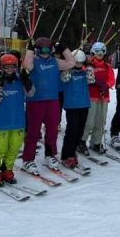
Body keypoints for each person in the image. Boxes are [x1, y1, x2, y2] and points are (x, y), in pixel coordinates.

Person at [21, 36, 74, 172]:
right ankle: (28, 160)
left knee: (52, 130)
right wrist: (30, 49)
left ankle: (50, 155)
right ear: (38, 50)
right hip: (36, 101)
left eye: (48, 49)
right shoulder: (34, 61)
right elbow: (26, 65)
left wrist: (64, 49)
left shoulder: (54, 61)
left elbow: (71, 63)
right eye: (42, 49)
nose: (45, 52)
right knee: (33, 131)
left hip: (53, 101)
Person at [0, 53, 31, 185]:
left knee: (14, 148)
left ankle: (7, 168)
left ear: (16, 67)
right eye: (6, 67)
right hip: (1, 122)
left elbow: (31, 93)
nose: (9, 70)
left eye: (12, 67)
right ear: (1, 68)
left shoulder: (21, 82)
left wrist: (27, 81)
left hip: (17, 121)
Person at [61, 50, 91, 168]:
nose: (78, 65)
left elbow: (91, 80)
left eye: (81, 63)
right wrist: (69, 66)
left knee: (80, 131)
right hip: (72, 105)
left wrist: (89, 68)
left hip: (84, 104)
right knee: (72, 130)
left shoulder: (85, 72)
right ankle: (66, 155)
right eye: (76, 62)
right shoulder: (67, 72)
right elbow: (64, 79)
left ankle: (72, 152)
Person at [85, 42, 115, 153]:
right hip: (92, 96)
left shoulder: (107, 65)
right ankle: (82, 141)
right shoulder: (89, 64)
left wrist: (106, 85)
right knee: (89, 121)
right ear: (93, 52)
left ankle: (96, 142)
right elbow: (85, 76)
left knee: (100, 121)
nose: (100, 54)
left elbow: (112, 79)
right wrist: (92, 81)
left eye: (102, 51)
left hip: (103, 96)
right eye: (97, 51)